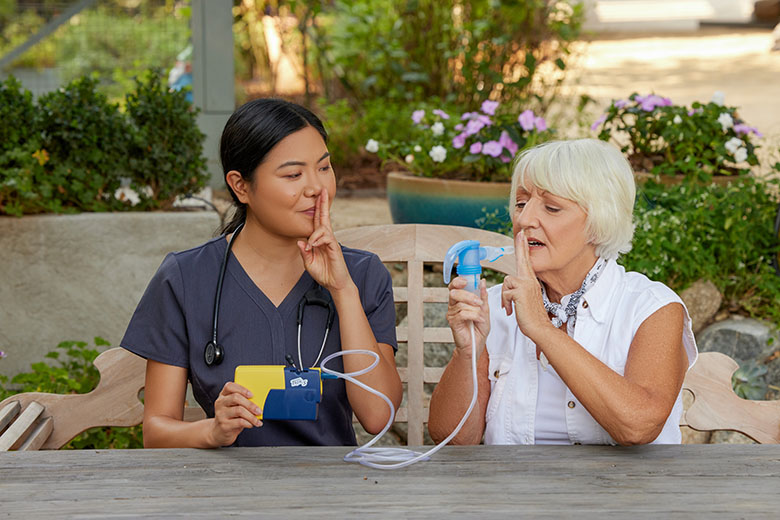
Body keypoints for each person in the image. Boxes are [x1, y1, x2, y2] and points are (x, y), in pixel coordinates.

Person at [121, 98, 402, 448]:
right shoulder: (186, 278)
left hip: (330, 481)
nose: (317, 188)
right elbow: (156, 432)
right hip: (228, 480)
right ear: (241, 186)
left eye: (324, 167)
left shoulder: (361, 274)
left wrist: (343, 291)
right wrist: (212, 431)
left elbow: (378, 416)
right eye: (293, 175)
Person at [428, 138, 697, 446]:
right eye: (521, 203)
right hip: (516, 480)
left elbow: (638, 426)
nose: (524, 220)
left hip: (626, 481)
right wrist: (467, 353)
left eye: (552, 207)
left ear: (599, 222)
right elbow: (452, 440)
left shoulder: (653, 307)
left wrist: (541, 329)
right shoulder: (493, 307)